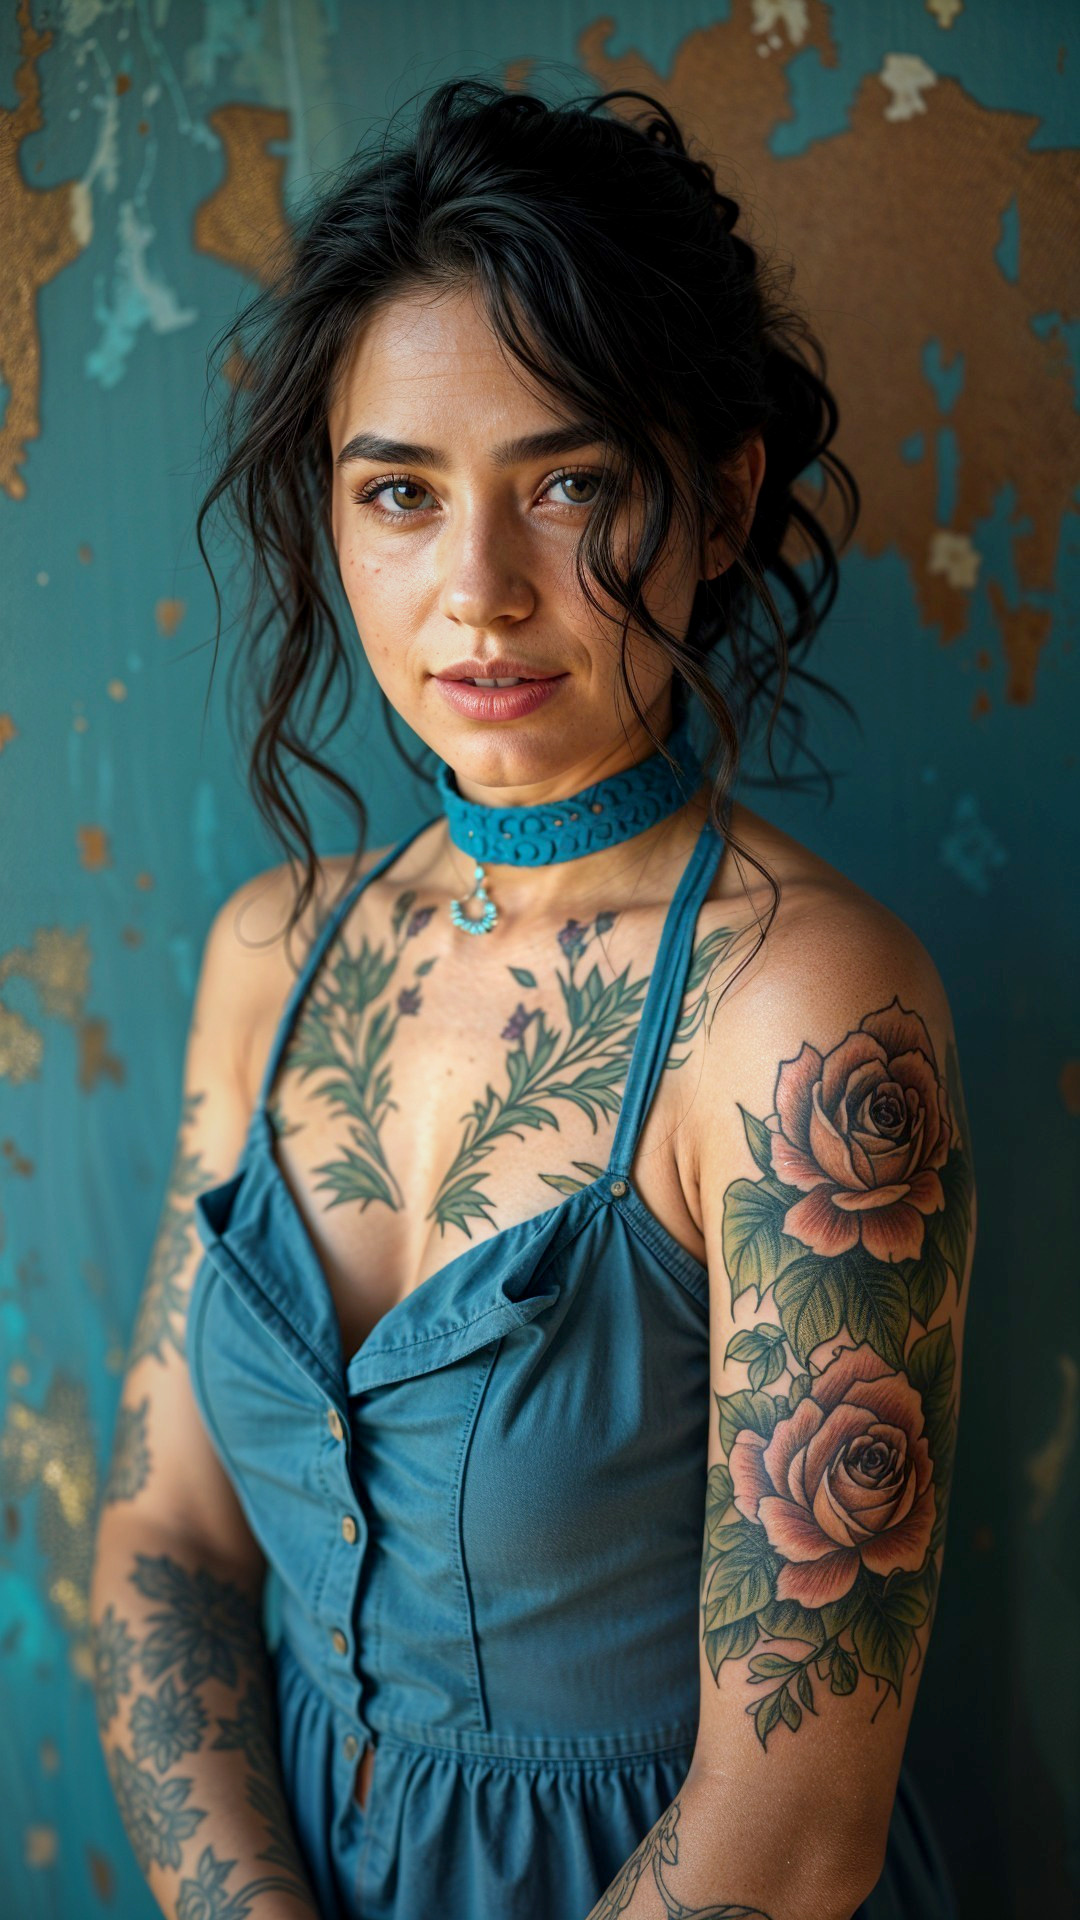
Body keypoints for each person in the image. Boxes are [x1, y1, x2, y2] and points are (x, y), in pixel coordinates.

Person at [90, 76, 974, 1920]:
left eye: (568, 483)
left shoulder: (802, 1009)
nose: (475, 592)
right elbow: (166, 1544)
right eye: (399, 494)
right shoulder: (273, 955)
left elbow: (792, 1836)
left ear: (721, 503)